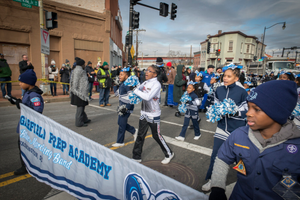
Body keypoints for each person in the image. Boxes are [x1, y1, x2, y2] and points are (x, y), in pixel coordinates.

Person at [209, 80, 300, 200]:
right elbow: (222, 159)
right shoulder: (239, 135)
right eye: (249, 107)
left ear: (278, 112)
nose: (248, 113)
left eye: (256, 109)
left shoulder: (296, 147)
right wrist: (217, 188)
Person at [202, 65, 248, 192]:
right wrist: (214, 113)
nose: (225, 78)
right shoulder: (219, 90)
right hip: (222, 127)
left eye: (229, 76)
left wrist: (234, 112)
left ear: (236, 78)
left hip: (237, 129)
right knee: (215, 155)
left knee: (241, 158)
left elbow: (247, 110)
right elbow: (216, 105)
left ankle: (245, 182)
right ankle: (212, 180)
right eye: (224, 76)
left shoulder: (242, 91)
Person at [132, 65, 174, 164]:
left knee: (156, 136)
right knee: (140, 135)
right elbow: (138, 89)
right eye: (146, 70)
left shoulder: (157, 84)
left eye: (149, 71)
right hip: (144, 113)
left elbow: (147, 97)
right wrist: (132, 87)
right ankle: (136, 157)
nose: (146, 72)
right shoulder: (146, 82)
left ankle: (169, 153)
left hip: (153, 114)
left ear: (155, 74)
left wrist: (135, 90)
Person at [8, 69, 44, 175]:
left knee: (25, 146)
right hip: (24, 125)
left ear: (28, 83)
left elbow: (37, 111)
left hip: (29, 127)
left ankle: (26, 166)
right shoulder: (28, 93)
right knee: (23, 146)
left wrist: (22, 105)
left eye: (21, 82)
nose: (19, 84)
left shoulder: (34, 96)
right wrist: (16, 102)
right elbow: (26, 106)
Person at [112, 67, 138, 147]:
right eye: (119, 74)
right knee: (120, 123)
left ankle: (120, 142)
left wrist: (127, 107)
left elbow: (132, 96)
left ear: (126, 76)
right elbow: (117, 94)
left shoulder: (128, 84)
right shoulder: (123, 83)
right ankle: (134, 131)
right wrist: (115, 85)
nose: (119, 76)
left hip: (126, 107)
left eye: (121, 75)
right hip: (122, 106)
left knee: (121, 124)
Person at [70, 58, 91, 127]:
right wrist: (76, 92)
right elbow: (75, 82)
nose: (85, 65)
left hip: (81, 92)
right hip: (79, 93)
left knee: (82, 107)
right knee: (80, 108)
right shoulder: (78, 71)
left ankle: (85, 119)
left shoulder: (79, 70)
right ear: (82, 65)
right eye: (84, 64)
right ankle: (79, 123)